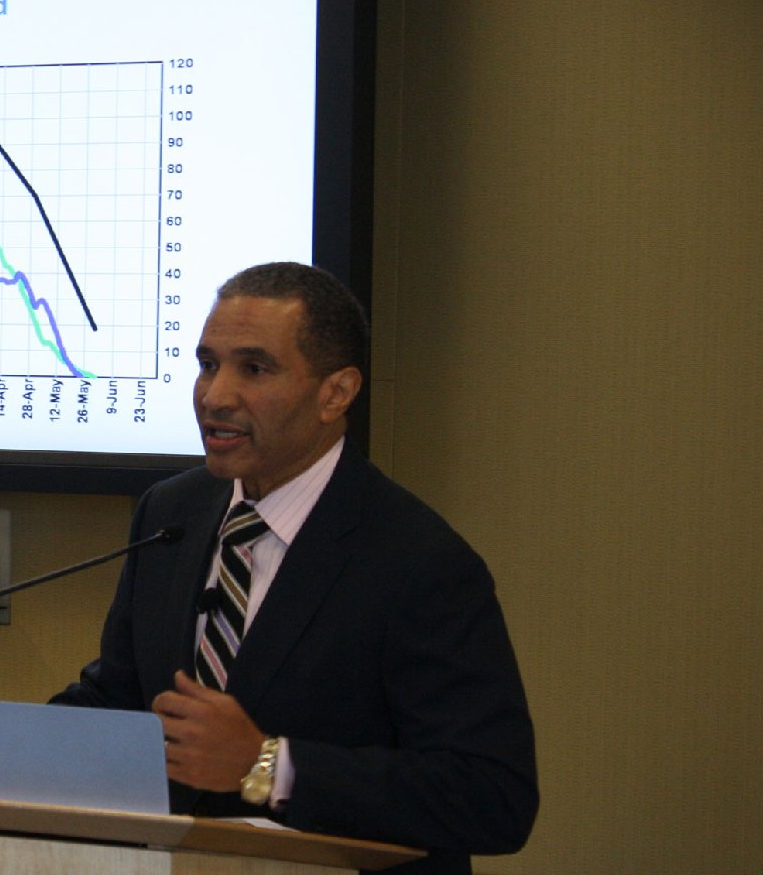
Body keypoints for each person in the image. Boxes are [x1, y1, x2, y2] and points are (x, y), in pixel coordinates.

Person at [51, 262, 537, 875]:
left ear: (336, 393)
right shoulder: (171, 510)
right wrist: (5, 749)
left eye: (253, 369)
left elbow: (493, 797)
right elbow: (122, 695)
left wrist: (266, 765)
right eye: (207, 364)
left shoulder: (419, 562)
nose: (215, 395)